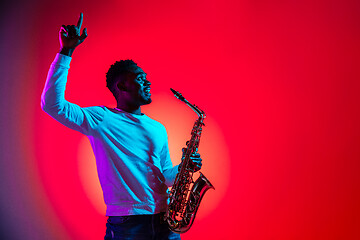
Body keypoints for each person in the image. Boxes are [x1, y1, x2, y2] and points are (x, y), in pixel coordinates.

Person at [41, 13, 202, 240]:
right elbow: (52, 105)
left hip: (166, 221)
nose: (147, 81)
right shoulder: (101, 118)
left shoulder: (158, 128)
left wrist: (184, 168)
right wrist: (66, 51)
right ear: (121, 85)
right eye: (140, 77)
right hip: (128, 224)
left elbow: (165, 177)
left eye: (146, 77)